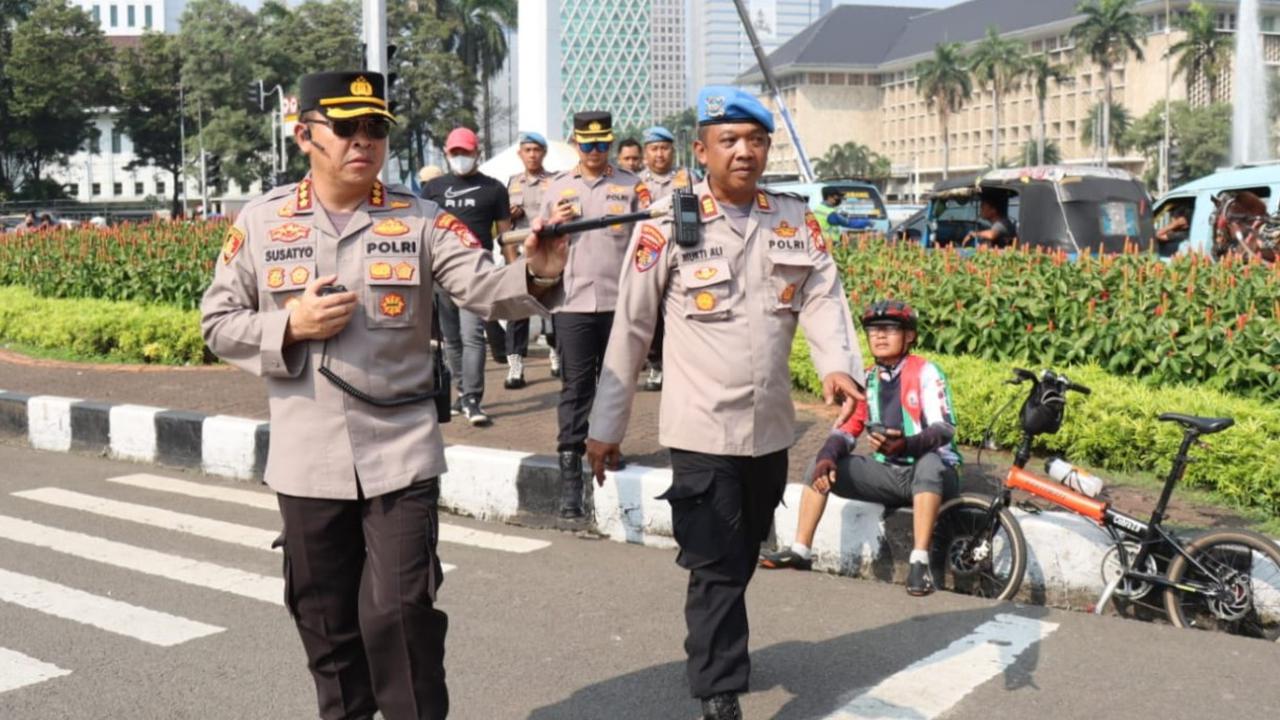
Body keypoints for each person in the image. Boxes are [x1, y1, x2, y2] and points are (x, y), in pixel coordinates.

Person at [200, 71, 566, 720]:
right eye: (347, 128)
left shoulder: (421, 218)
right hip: (307, 458)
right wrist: (291, 325)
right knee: (325, 621)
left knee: (400, 612)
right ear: (304, 135)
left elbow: (484, 289)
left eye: (375, 128)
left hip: (400, 451)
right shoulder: (262, 222)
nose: (363, 141)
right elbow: (218, 324)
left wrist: (539, 270)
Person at [584, 86, 864, 720]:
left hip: (771, 429)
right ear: (702, 150)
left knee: (740, 554)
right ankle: (717, 684)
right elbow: (631, 329)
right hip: (701, 428)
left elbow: (823, 296)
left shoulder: (793, 220)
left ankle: (716, 647)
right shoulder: (665, 225)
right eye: (729, 140)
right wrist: (607, 426)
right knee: (714, 559)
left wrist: (837, 365)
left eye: (755, 140)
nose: (744, 152)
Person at [759, 299, 960, 597]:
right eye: (874, 330)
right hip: (890, 474)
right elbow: (847, 430)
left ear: (909, 336)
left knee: (930, 463)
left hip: (935, 477)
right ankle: (801, 550)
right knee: (820, 464)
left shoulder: (926, 372)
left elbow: (944, 429)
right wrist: (828, 456)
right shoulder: (867, 379)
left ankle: (919, 563)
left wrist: (906, 444)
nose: (879, 335)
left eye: (890, 329)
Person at [541, 110, 650, 518]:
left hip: (619, 302)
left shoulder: (631, 185)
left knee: (616, 383)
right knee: (576, 387)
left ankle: (610, 447)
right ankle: (571, 478)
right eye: (587, 144)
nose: (594, 151)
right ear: (575, 143)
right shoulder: (557, 187)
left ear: (611, 142)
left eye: (602, 143)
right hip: (572, 302)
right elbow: (539, 241)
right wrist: (553, 224)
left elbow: (646, 245)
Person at [420, 127, 512, 426]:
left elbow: (506, 235)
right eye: (455, 152)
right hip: (440, 273)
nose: (460, 157)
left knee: (473, 336)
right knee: (451, 339)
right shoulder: (433, 189)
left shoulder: (494, 188)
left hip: (476, 273)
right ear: (447, 154)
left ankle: (472, 397)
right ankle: (461, 392)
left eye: (466, 152)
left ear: (477, 153)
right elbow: (422, 232)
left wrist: (512, 272)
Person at [636, 125, 695, 392]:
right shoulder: (635, 183)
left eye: (664, 148)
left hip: (682, 254)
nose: (660, 154)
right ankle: (656, 364)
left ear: (673, 150)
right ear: (646, 152)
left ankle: (682, 364)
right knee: (651, 314)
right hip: (647, 256)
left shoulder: (688, 178)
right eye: (654, 149)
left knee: (683, 312)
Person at [504, 131, 555, 389]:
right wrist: (511, 215)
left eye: (537, 150)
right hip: (521, 255)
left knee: (553, 306)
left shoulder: (555, 181)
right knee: (518, 310)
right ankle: (516, 365)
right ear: (520, 154)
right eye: (528, 150)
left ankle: (556, 352)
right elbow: (503, 224)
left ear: (544, 153)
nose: (532, 155)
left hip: (548, 254)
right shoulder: (512, 183)